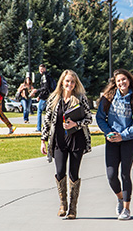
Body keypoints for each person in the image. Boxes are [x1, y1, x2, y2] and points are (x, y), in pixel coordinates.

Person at [40, 70, 92, 219]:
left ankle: (73, 208)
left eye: (72, 82)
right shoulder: (54, 99)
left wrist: (76, 124)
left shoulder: (80, 98)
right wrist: (43, 140)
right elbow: (47, 121)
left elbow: (89, 119)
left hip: (77, 141)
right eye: (67, 81)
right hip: (59, 141)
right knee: (60, 171)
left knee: (73, 173)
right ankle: (63, 204)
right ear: (62, 82)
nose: (70, 84)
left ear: (76, 84)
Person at [96, 69, 133, 221]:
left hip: (128, 141)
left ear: (129, 80)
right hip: (111, 140)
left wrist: (122, 136)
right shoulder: (108, 98)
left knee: (125, 174)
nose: (121, 82)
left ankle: (126, 208)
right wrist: (109, 133)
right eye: (119, 80)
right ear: (115, 83)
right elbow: (100, 118)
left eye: (124, 79)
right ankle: (120, 197)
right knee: (111, 175)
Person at [34, 64, 54, 132]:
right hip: (48, 96)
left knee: (39, 111)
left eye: (42, 69)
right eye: (39, 69)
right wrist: (39, 96)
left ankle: (39, 128)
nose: (40, 71)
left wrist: (37, 91)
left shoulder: (44, 77)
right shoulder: (48, 76)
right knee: (50, 112)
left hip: (45, 97)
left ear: (45, 69)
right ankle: (50, 127)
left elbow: (45, 88)